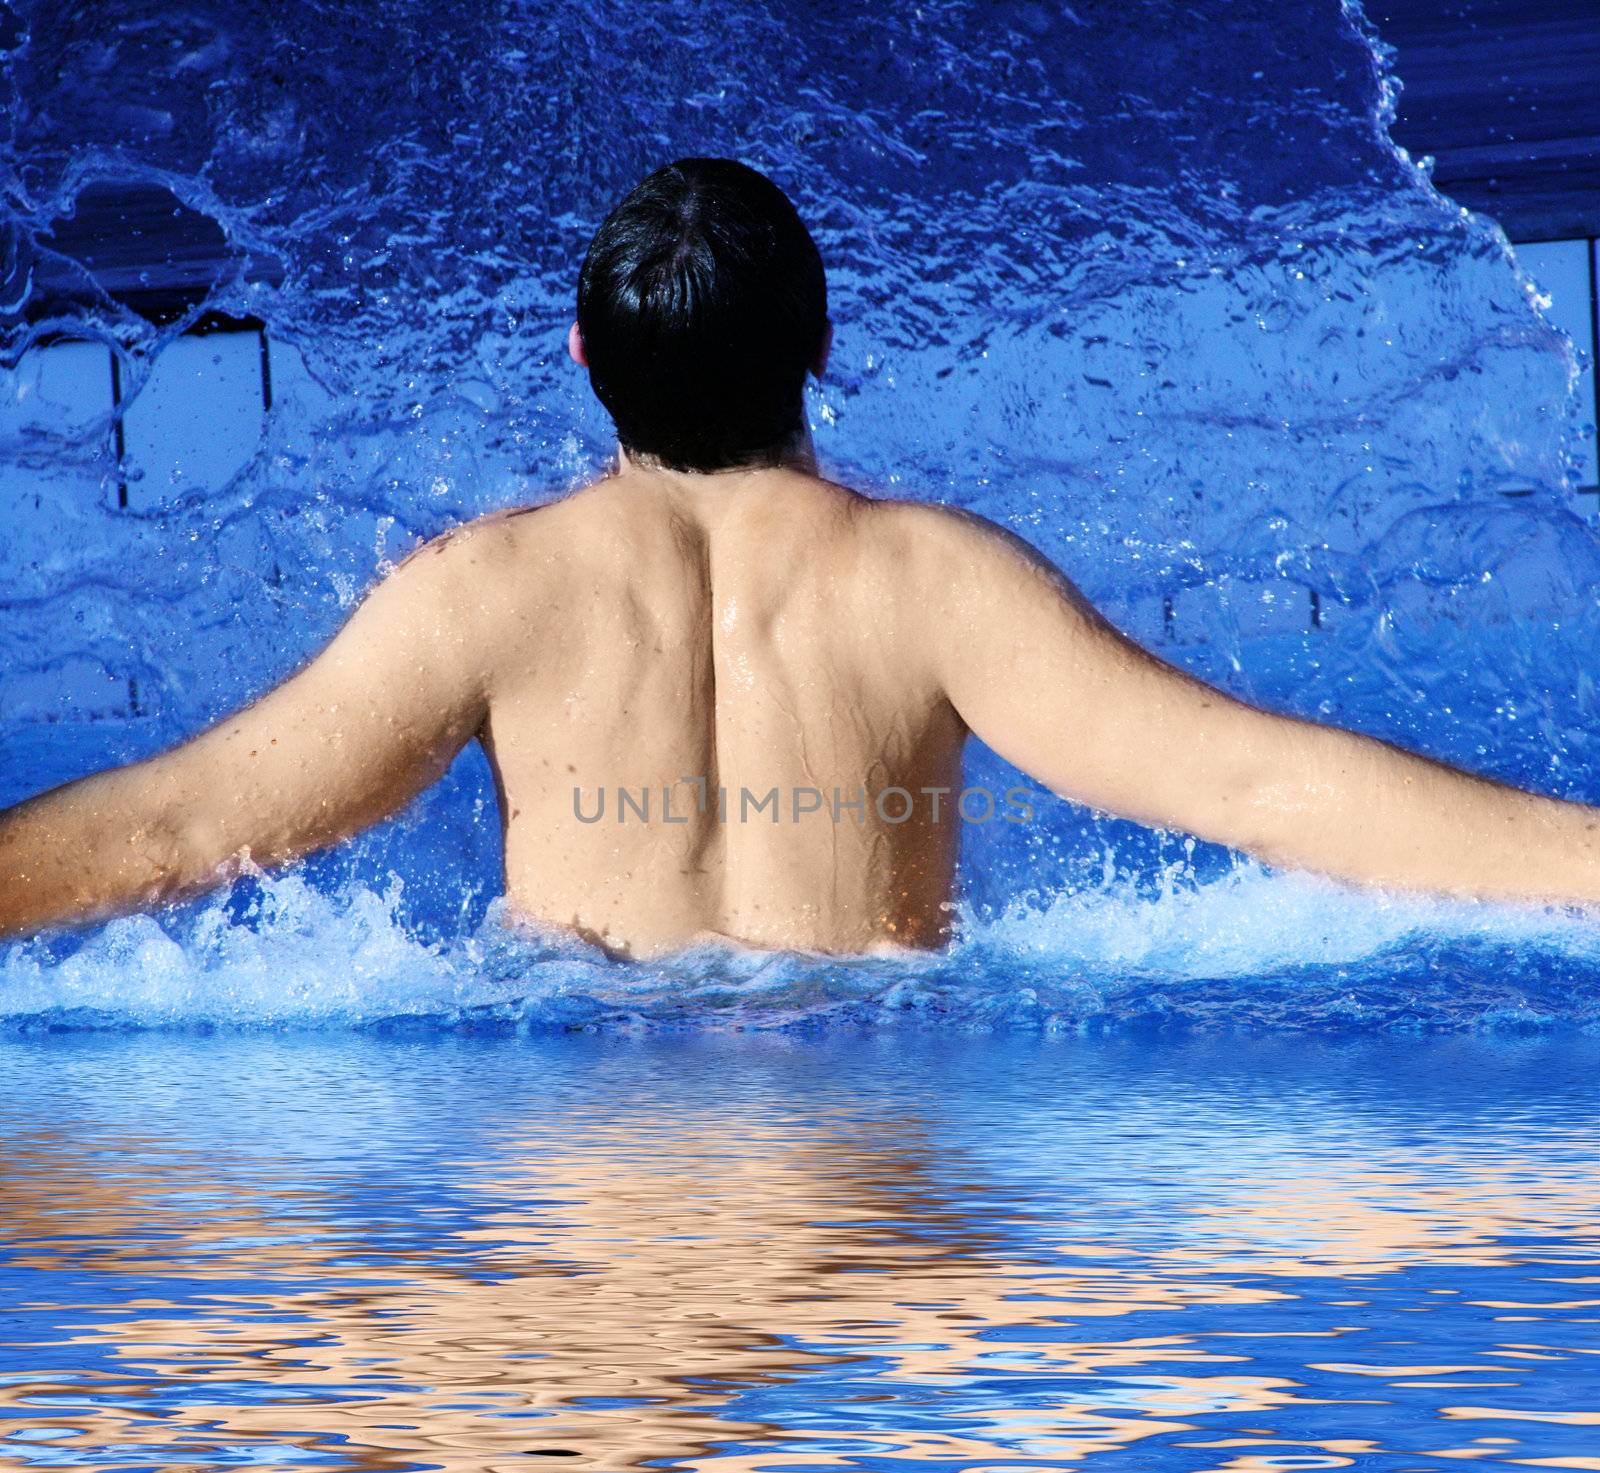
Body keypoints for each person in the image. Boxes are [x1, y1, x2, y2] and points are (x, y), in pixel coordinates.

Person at [2, 157, 1598, 959]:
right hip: (873, 1161)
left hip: (589, 1141)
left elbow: (183, 823)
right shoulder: (935, 584)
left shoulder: (482, 595)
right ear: (823, 348)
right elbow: (1255, 787)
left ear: (580, 354)